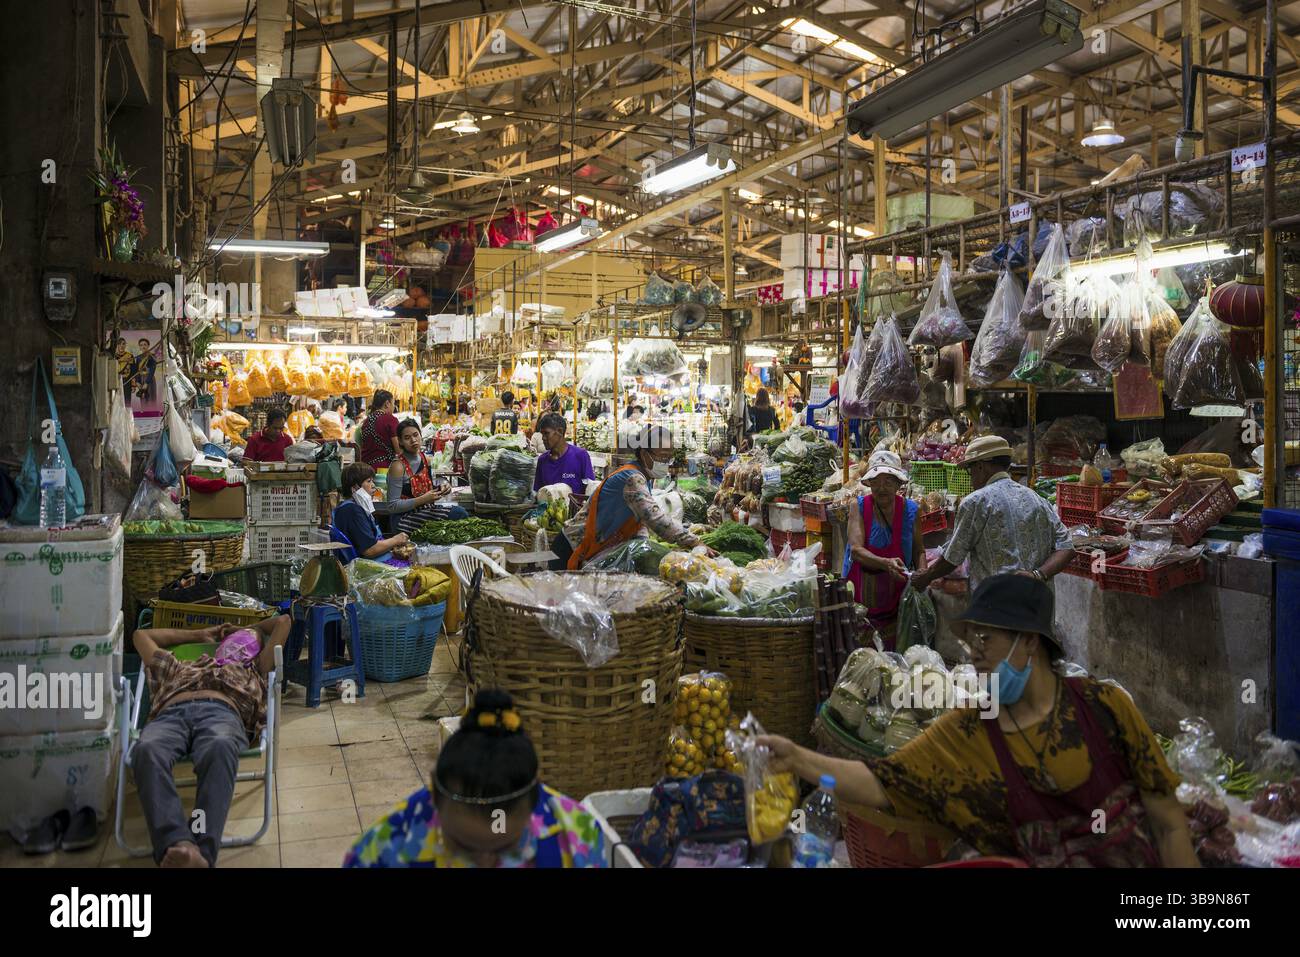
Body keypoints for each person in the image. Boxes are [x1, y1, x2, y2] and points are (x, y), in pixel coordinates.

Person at [755, 575, 1198, 867]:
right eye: (970, 640)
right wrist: (799, 760)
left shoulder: (1105, 707)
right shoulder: (966, 731)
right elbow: (877, 784)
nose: (974, 651)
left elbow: (1170, 822)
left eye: (986, 637)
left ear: (1029, 643)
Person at [344, 689, 607, 867]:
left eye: (506, 846)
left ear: (535, 797)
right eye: (462, 845)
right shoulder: (384, 851)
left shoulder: (576, 836)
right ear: (435, 793)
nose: (484, 861)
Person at [130, 615, 293, 868]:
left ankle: (202, 852)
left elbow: (284, 621)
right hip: (170, 716)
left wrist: (252, 629)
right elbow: (141, 636)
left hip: (222, 713)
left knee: (219, 747)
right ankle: (178, 841)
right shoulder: (180, 666)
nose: (237, 646)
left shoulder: (254, 668)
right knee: (146, 749)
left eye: (245, 644)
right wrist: (200, 635)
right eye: (233, 642)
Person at [909, 435, 1073, 593]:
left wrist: (926, 577)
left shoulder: (976, 502)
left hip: (996, 606)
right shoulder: (1036, 498)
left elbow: (953, 558)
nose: (971, 477)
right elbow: (1067, 548)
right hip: (1038, 607)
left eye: (969, 470)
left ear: (981, 466)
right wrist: (1037, 575)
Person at [553, 425, 714, 570]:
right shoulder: (632, 478)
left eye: (669, 458)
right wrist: (694, 541)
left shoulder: (642, 477)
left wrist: (643, 548)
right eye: (663, 457)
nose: (666, 463)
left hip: (589, 548)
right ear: (644, 454)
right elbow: (655, 518)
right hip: (571, 548)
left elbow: (640, 521)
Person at [844, 450, 928, 649]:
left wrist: (923, 573)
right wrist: (886, 563)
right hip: (862, 605)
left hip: (897, 604)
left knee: (897, 658)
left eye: (888, 481)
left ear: (899, 485)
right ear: (869, 483)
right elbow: (856, 550)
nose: (882, 488)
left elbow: (919, 551)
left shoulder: (911, 510)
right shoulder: (859, 506)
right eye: (876, 481)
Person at [379, 418, 470, 535]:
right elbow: (392, 506)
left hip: (424, 511)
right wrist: (423, 499)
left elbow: (430, 486)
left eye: (415, 435)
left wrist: (443, 487)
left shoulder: (425, 459)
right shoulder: (398, 466)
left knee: (460, 513)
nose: (413, 440)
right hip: (404, 519)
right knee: (458, 514)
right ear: (400, 442)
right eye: (407, 438)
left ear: (421, 435)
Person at [333, 462, 409, 561]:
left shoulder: (352, 507)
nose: (373, 485)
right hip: (365, 567)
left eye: (372, 481)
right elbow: (370, 550)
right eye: (369, 481)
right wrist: (396, 540)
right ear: (355, 488)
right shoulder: (352, 511)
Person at [533, 412, 595, 498]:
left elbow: (590, 489)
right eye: (542, 434)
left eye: (546, 433)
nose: (543, 438)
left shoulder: (580, 456)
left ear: (560, 431)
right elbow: (539, 492)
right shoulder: (542, 460)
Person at [358, 390, 401, 470]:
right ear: (387, 404)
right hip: (384, 469)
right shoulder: (390, 419)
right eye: (393, 403)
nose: (394, 406)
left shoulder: (366, 421)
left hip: (365, 469)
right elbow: (399, 449)